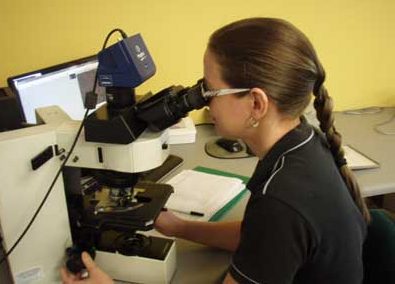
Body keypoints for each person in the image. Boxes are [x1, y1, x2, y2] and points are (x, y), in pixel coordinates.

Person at [61, 17, 370, 284]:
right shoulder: (304, 139)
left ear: (257, 104)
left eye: (209, 90)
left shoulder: (282, 200)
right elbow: (258, 238)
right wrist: (181, 228)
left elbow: (272, 228)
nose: (201, 99)